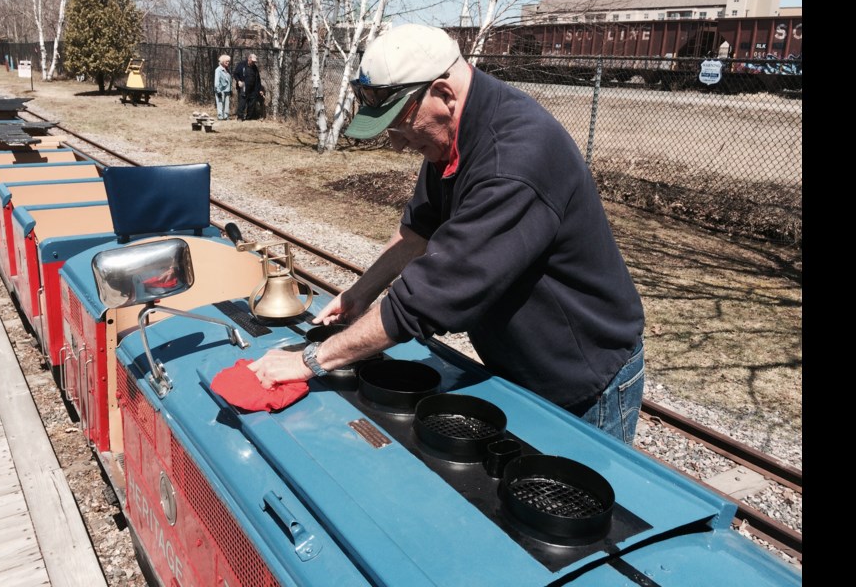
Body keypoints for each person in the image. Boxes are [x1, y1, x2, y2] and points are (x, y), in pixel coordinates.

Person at [247, 24, 646, 445]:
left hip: (580, 373)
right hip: (517, 360)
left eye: (402, 128)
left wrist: (310, 360)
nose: (399, 147)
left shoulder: (513, 161)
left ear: (444, 94)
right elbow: (418, 232)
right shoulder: (455, 131)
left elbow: (429, 299)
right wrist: (360, 293)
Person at [240, 53, 265, 120]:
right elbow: (236, 74)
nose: (254, 62)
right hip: (245, 87)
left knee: (252, 103)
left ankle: (249, 117)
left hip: (253, 88)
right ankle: (240, 117)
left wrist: (260, 89)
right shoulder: (242, 65)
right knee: (243, 103)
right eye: (253, 61)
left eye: (254, 61)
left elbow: (258, 79)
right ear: (249, 58)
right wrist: (239, 81)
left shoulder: (255, 68)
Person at [214, 55, 232, 121]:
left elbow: (229, 80)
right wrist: (218, 91)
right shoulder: (218, 70)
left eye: (229, 61)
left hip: (227, 90)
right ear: (222, 61)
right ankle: (220, 116)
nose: (228, 63)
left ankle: (226, 116)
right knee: (220, 103)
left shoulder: (227, 69)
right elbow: (216, 82)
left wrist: (230, 89)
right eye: (226, 61)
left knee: (227, 104)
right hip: (220, 90)